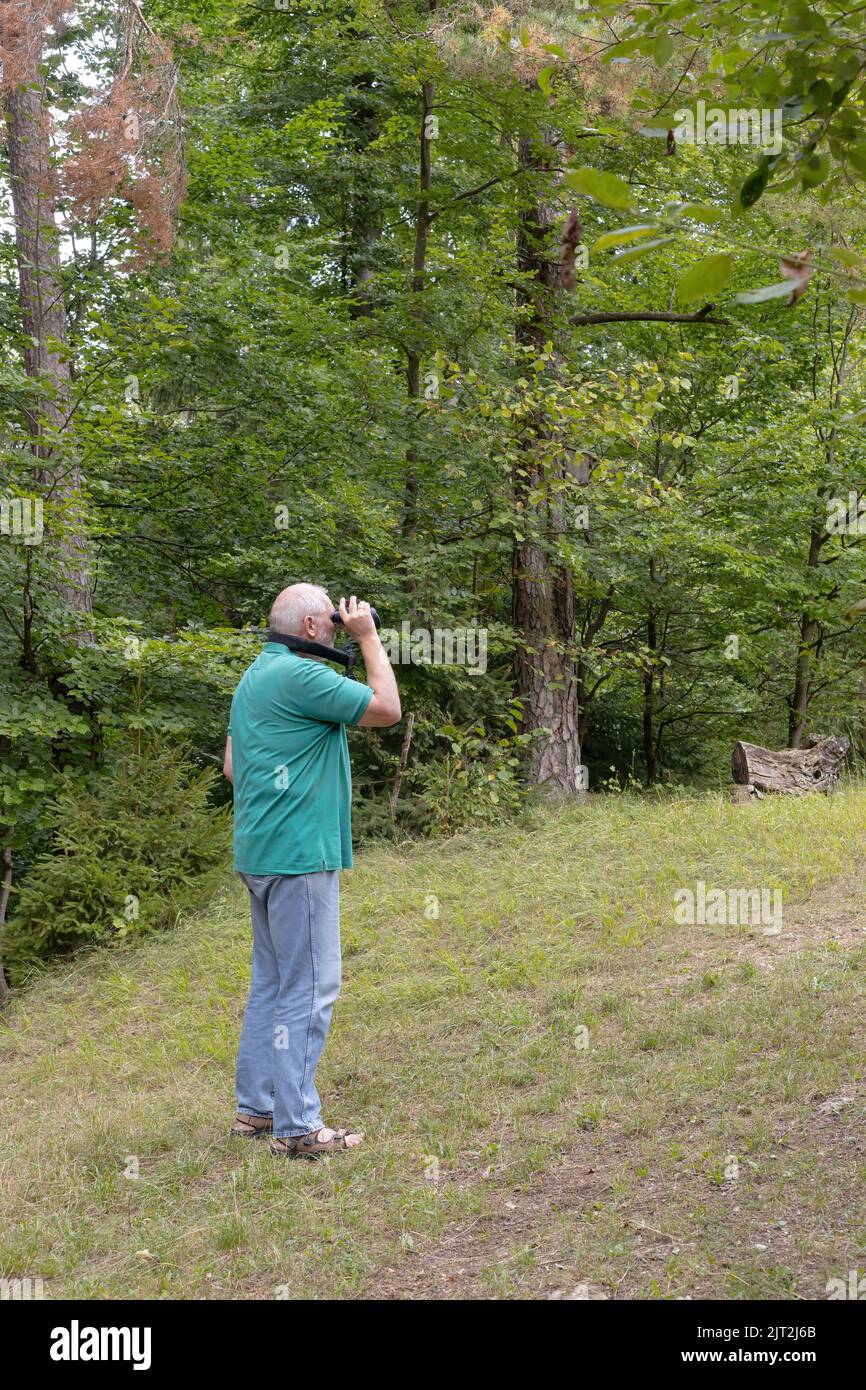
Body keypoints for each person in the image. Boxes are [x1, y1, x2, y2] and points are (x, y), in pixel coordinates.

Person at [222, 586, 401, 1157]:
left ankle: (258, 1109)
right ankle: (297, 1128)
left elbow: (232, 768)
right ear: (310, 626)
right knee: (311, 986)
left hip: (260, 854)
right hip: (299, 857)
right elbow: (387, 710)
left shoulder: (255, 677)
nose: (340, 619)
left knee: (272, 983)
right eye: (332, 614)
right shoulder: (301, 677)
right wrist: (369, 637)